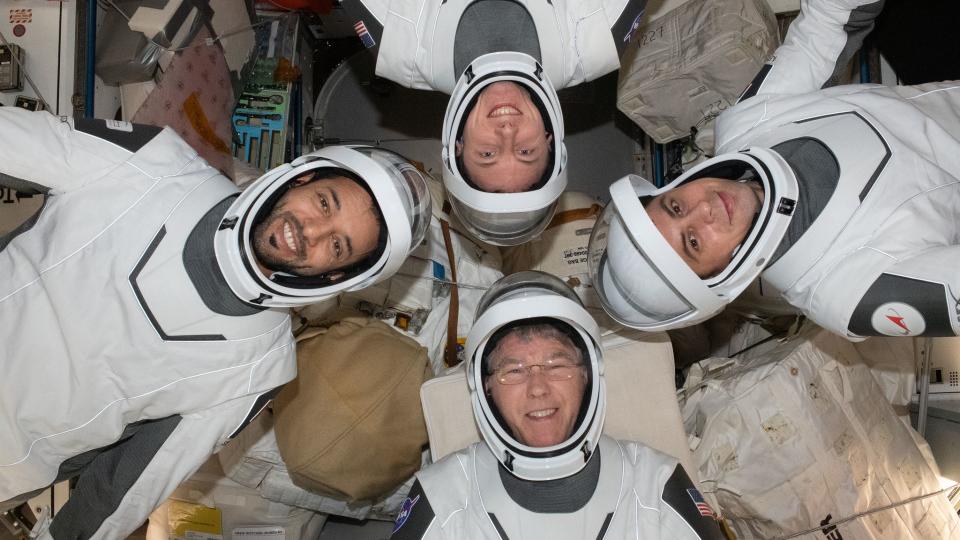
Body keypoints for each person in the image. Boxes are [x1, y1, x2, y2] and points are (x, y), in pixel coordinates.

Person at [0, 108, 431, 537]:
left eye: (337, 246)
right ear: (303, 177)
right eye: (324, 202)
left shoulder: (259, 367)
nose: (312, 231)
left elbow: (128, 487)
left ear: (338, 276)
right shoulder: (155, 162)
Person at [589, 0, 960, 339]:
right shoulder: (844, 291)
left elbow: (827, 23)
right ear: (718, 276)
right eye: (694, 242)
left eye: (675, 207)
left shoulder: (747, 124)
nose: (704, 210)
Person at [389, 271, 725, 539]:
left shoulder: (656, 483)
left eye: (557, 365)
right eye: (514, 370)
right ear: (485, 386)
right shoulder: (441, 496)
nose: (538, 388)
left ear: (588, 375)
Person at [349, 0, 647, 245]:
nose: (507, 133)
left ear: (458, 145)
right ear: (549, 139)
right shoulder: (598, 39)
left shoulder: (399, 45)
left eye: (488, 154)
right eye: (526, 151)